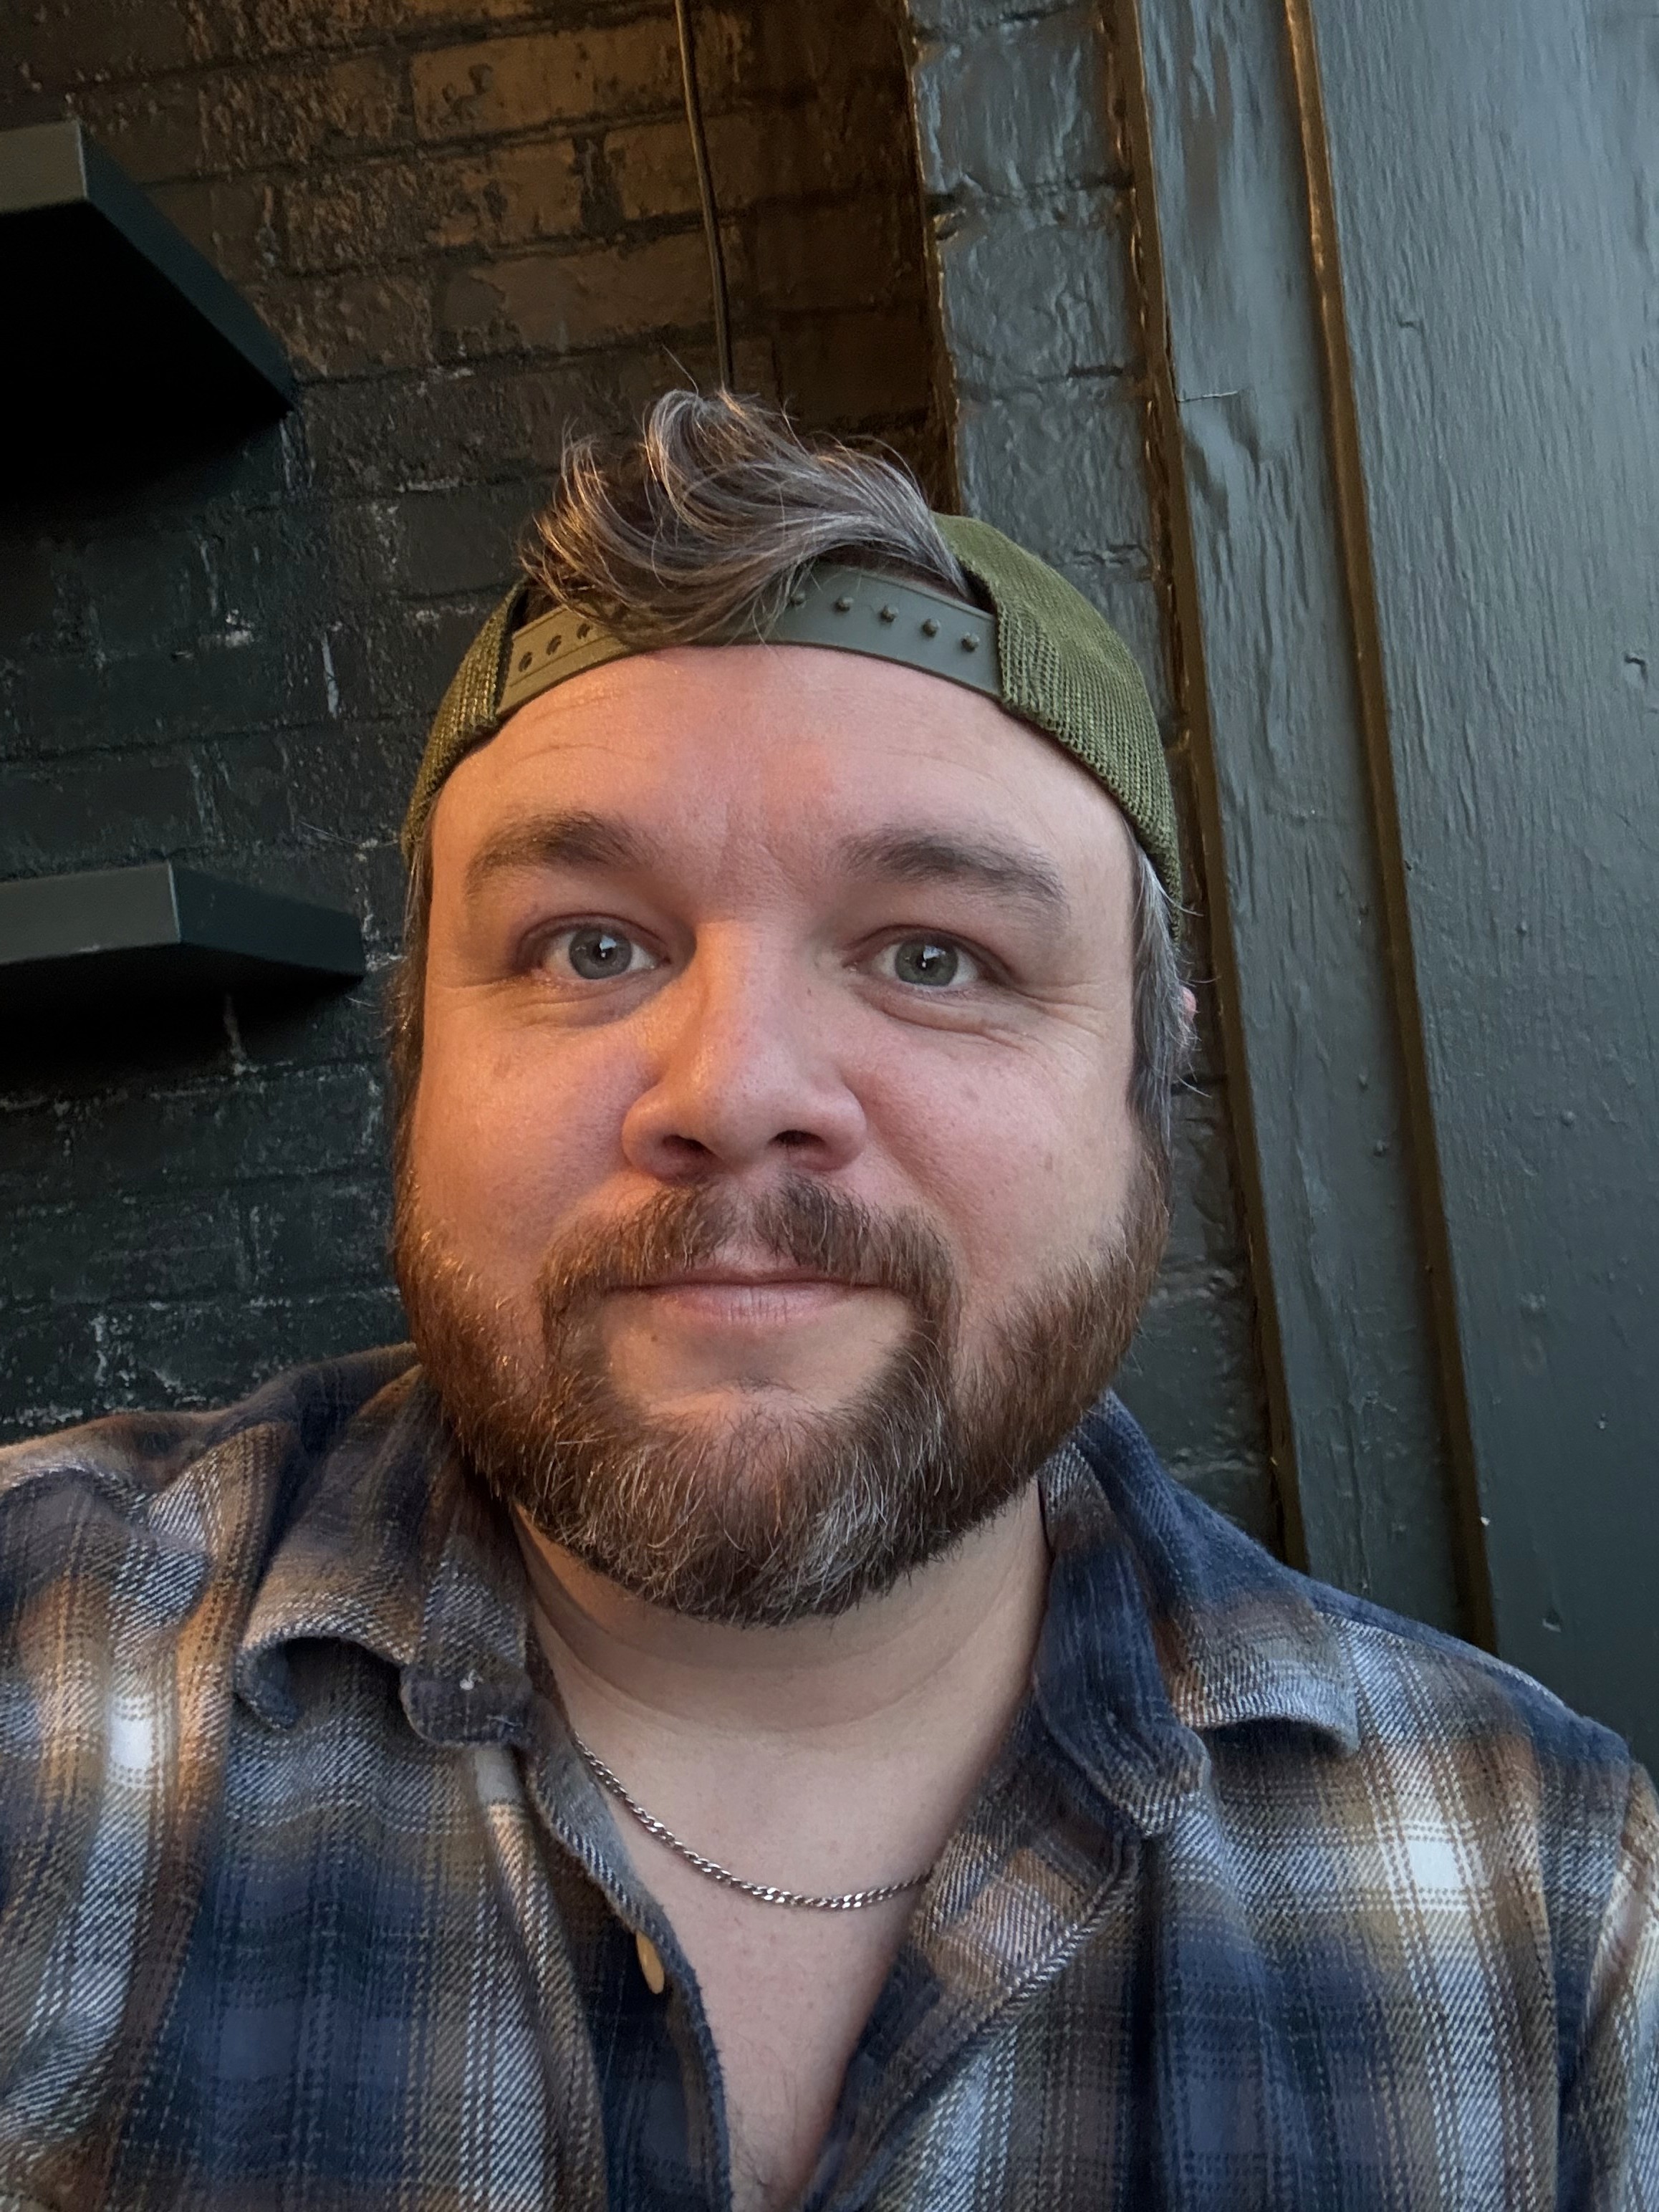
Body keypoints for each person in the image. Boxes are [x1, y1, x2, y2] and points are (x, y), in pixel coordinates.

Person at [0, 389, 1654, 2212]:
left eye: (934, 954)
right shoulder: (40, 1669)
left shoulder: (1556, 1914)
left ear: (1146, 1081)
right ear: (417, 1062)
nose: (733, 1086)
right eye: (589, 943)